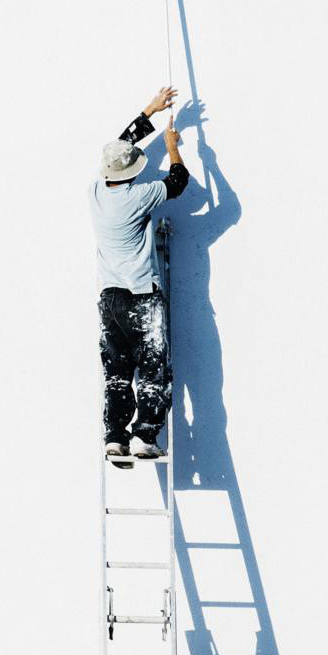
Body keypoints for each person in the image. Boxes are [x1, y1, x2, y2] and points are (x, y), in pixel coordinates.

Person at [89, 87, 190, 462]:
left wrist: (150, 109)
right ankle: (144, 436)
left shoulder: (95, 192)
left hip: (110, 299)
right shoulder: (140, 196)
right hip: (142, 296)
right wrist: (172, 145)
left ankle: (115, 437)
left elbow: (120, 147)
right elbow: (178, 181)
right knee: (153, 368)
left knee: (117, 372)